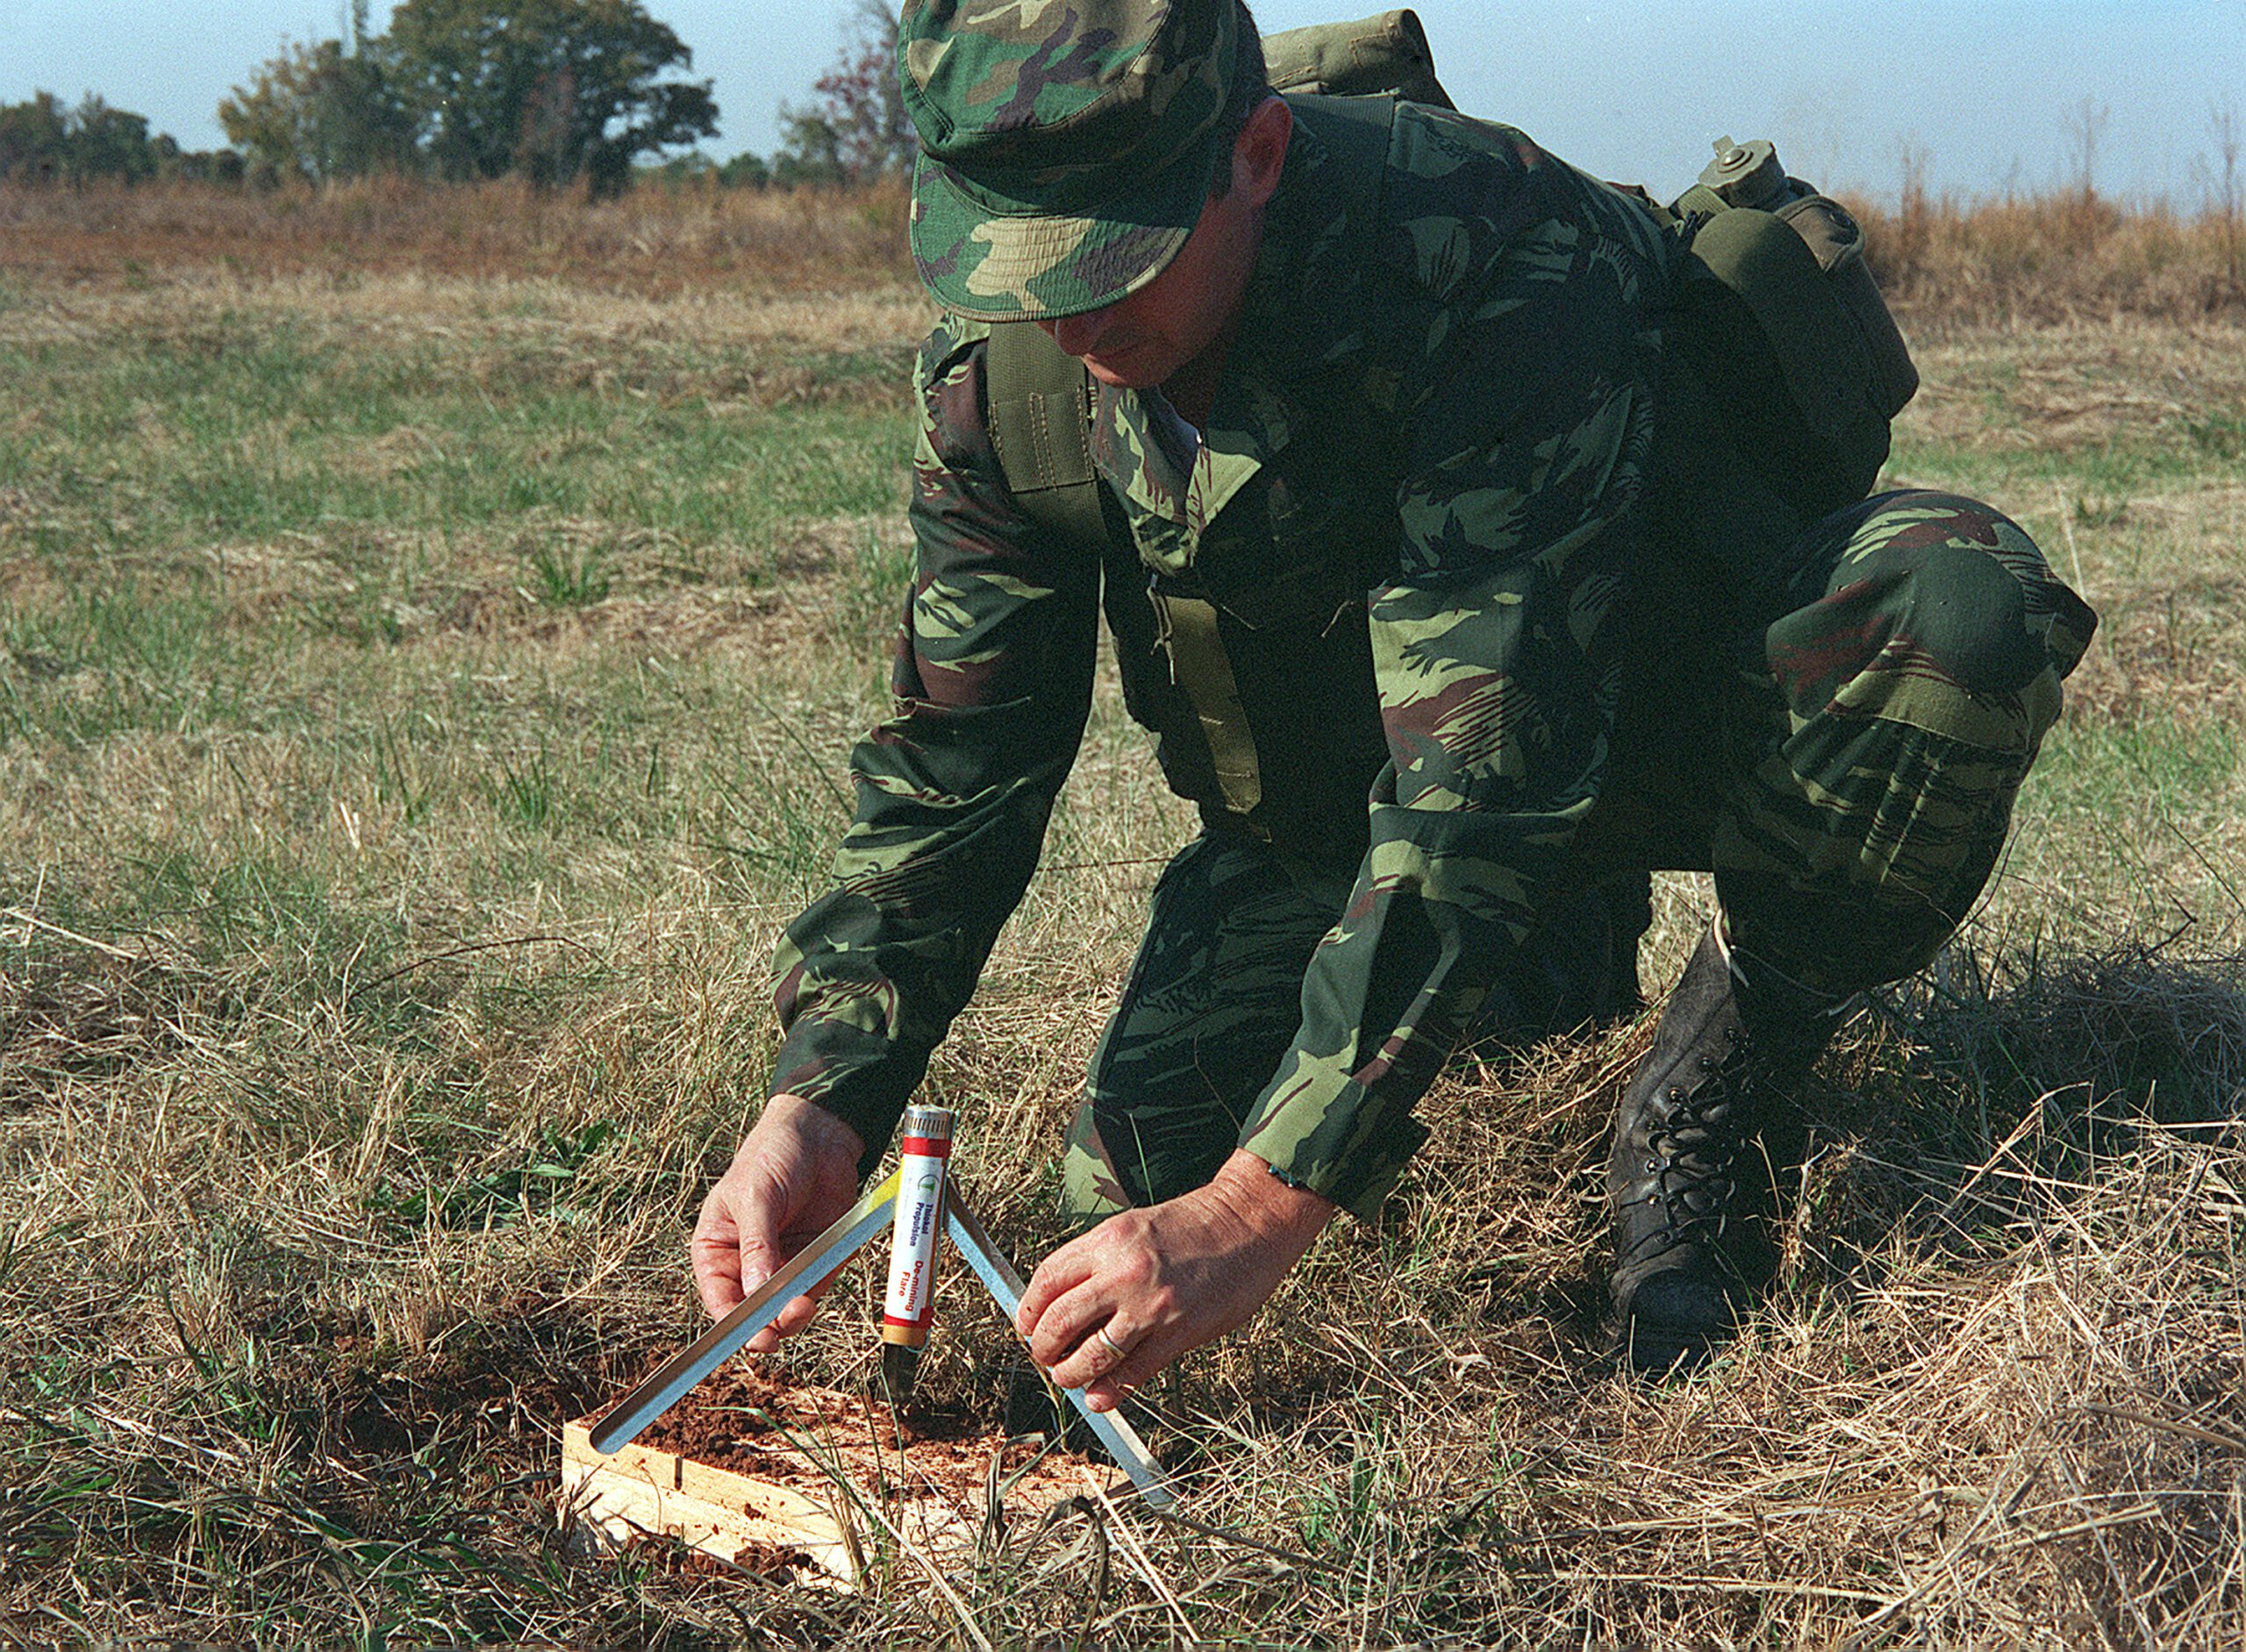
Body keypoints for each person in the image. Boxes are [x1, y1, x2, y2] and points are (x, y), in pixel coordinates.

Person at [691, 0, 2096, 1391]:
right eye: (1014, 263)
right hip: (1334, 818)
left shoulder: (1496, 258)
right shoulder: (1002, 376)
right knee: (1116, 1206)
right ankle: (1541, 959)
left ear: (1255, 152)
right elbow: (961, 753)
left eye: (1111, 254)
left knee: (1955, 606)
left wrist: (1255, 1217)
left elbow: (1489, 771)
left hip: (1637, 733)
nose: (1063, 311)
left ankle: (1735, 1060)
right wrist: (824, 1094)